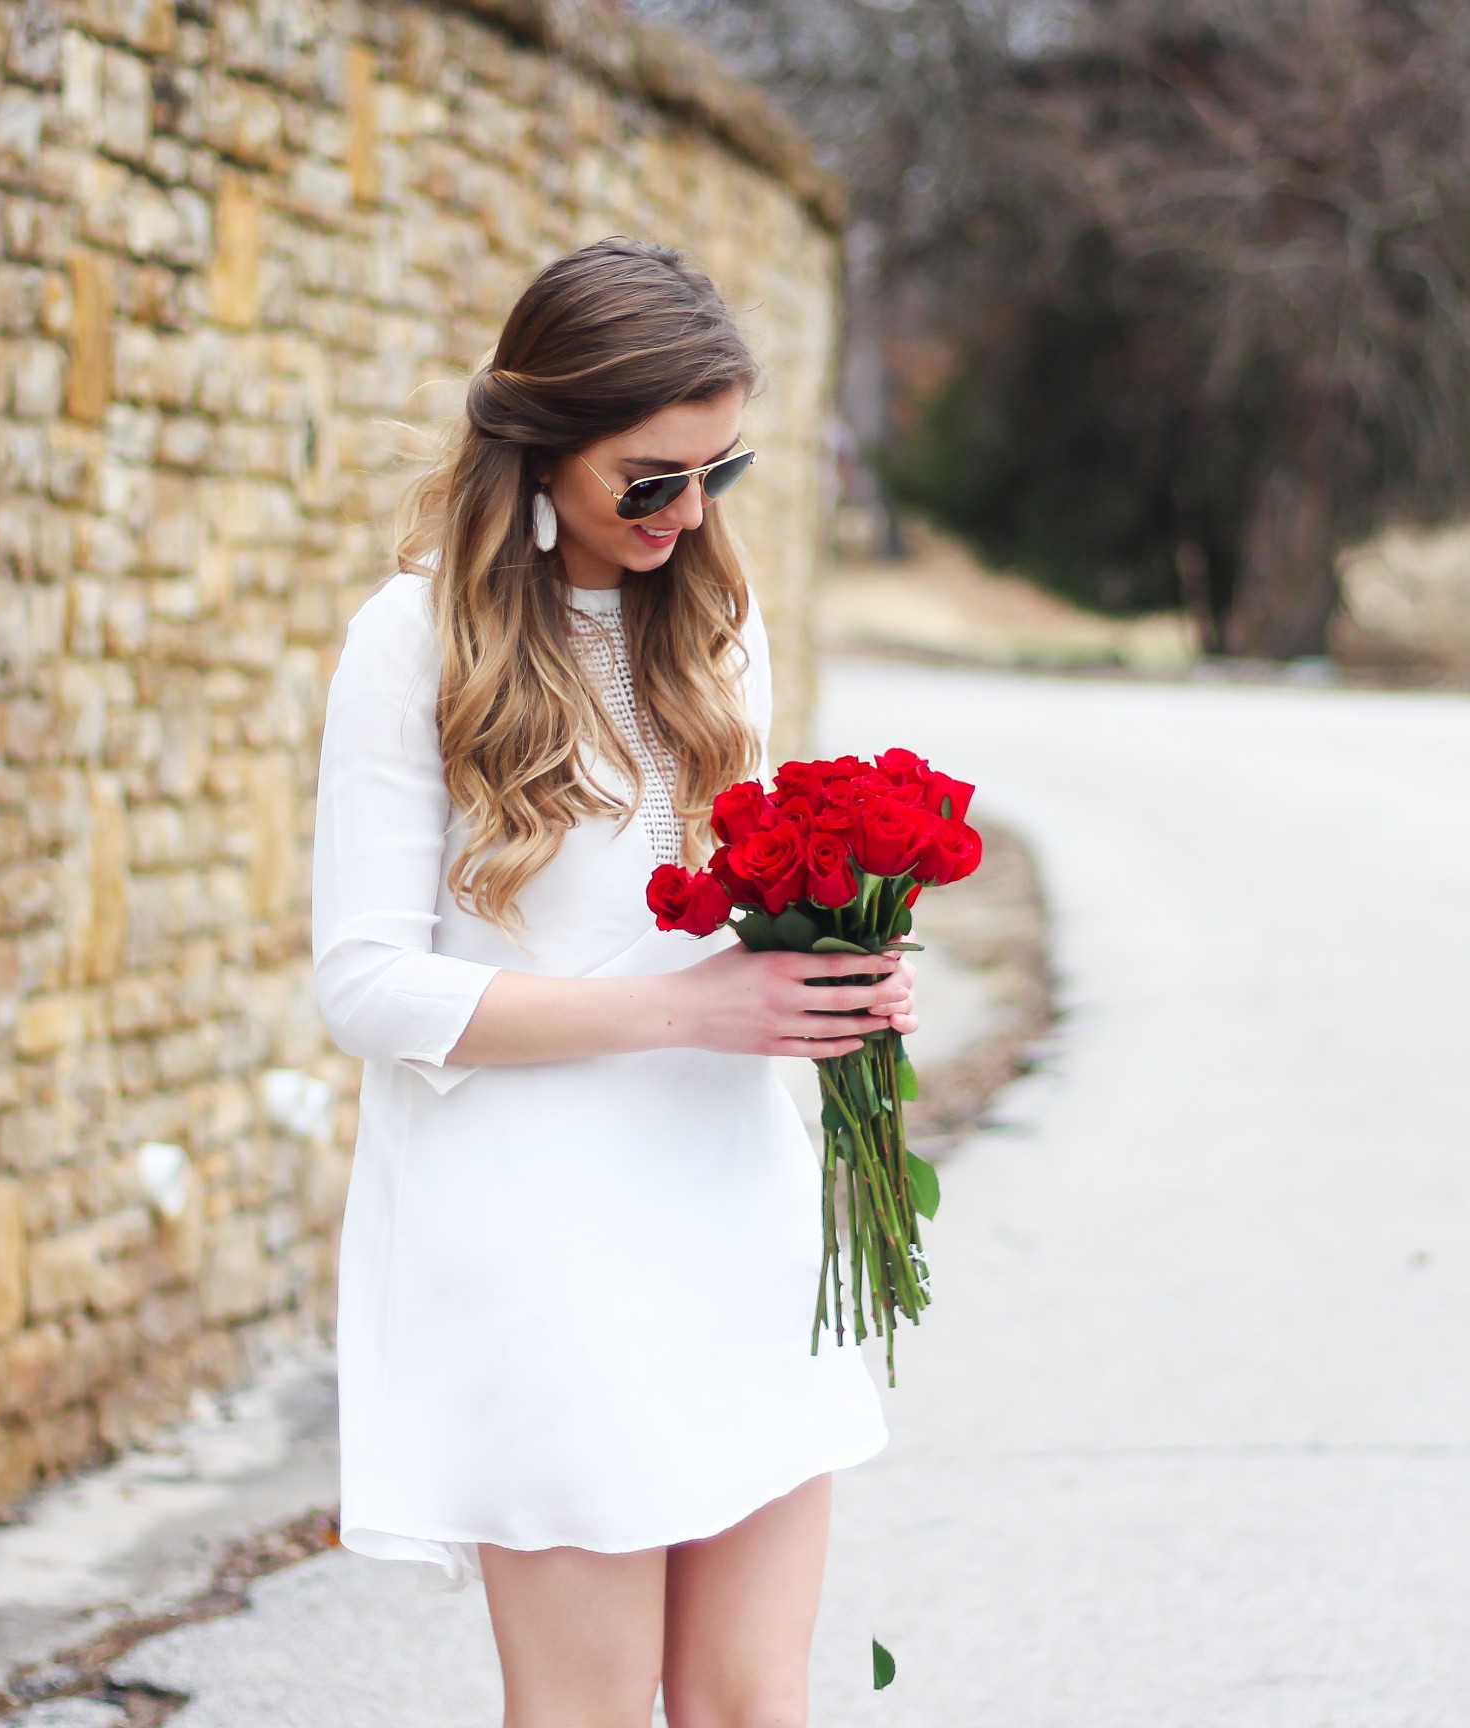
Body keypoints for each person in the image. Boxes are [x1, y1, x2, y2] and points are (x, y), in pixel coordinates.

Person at [311, 237, 909, 1728]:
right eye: (649, 479)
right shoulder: (412, 642)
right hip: (541, 1241)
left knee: (752, 1703)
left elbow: (722, 902)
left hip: (731, 1202)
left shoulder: (717, 618)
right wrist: (684, 1010)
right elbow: (367, 986)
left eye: (720, 469)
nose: (688, 513)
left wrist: (831, 964)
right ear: (538, 442)